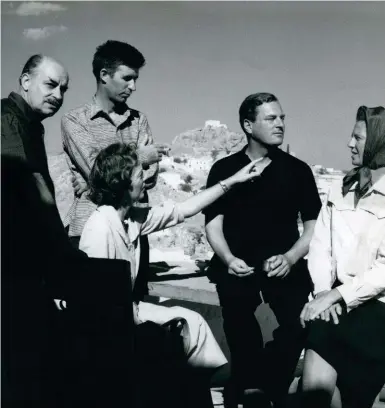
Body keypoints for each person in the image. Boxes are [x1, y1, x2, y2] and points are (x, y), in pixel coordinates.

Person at [78, 142, 267, 377]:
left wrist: (231, 181)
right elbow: (92, 300)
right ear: (123, 183)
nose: (145, 180)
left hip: (128, 312)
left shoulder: (132, 218)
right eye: (139, 174)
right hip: (111, 324)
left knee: (194, 324)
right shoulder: (100, 227)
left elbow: (183, 210)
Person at [203, 93, 322, 407]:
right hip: (236, 265)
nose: (280, 124)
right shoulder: (225, 169)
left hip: (284, 265)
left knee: (299, 325)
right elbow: (213, 224)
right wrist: (228, 259)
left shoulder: (298, 171)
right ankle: (252, 391)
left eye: (281, 117)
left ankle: (260, 386)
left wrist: (290, 257)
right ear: (248, 125)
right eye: (271, 118)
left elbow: (313, 227)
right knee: (240, 326)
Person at [1, 54, 86, 408]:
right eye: (50, 84)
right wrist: (63, 250)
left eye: (63, 89)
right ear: (25, 82)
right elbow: (29, 182)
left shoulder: (31, 126)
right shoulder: (8, 118)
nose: (58, 95)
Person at [61, 40, 166, 299]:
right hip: (88, 231)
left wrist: (94, 182)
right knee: (94, 316)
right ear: (104, 75)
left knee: (134, 311)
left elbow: (149, 178)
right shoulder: (75, 120)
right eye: (127, 78)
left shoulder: (139, 120)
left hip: (133, 231)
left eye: (136, 79)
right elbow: (100, 170)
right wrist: (141, 156)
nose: (133, 87)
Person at [300, 106, 385, 408]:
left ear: (379, 141)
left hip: (377, 306)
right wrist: (324, 291)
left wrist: (336, 295)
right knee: (315, 390)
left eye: (358, 138)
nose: (350, 144)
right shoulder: (341, 188)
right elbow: (320, 246)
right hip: (337, 303)